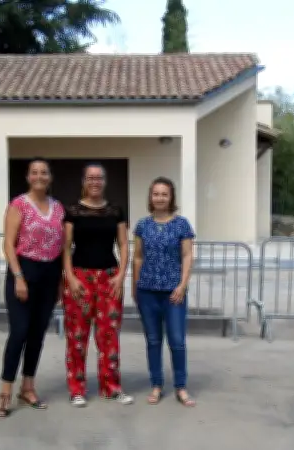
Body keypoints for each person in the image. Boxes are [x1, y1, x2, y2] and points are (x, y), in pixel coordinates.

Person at [0, 158, 65, 419]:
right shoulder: (19, 205)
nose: (39, 176)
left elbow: (61, 246)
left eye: (44, 172)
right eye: (34, 172)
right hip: (24, 271)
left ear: (50, 177)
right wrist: (18, 277)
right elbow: (8, 244)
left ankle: (28, 387)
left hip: (50, 274)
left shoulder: (58, 208)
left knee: (37, 333)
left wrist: (60, 280)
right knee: (19, 332)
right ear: (28, 177)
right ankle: (5, 390)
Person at [62, 163, 134, 407]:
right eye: (90, 177)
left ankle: (111, 387)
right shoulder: (72, 210)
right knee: (77, 336)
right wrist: (70, 277)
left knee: (109, 336)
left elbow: (123, 244)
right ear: (84, 181)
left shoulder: (115, 210)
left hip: (109, 278)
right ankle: (76, 389)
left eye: (99, 177)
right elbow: (66, 247)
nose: (95, 181)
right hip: (79, 278)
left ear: (105, 181)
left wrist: (121, 275)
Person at [132, 176, 197, 407]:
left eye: (164, 194)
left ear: (171, 198)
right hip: (147, 291)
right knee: (153, 341)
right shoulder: (142, 225)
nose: (160, 198)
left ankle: (181, 386)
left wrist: (182, 285)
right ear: (151, 197)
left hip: (173, 293)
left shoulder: (182, 225)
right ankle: (156, 385)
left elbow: (187, 256)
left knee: (177, 341)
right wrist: (135, 286)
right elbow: (138, 257)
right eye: (156, 194)